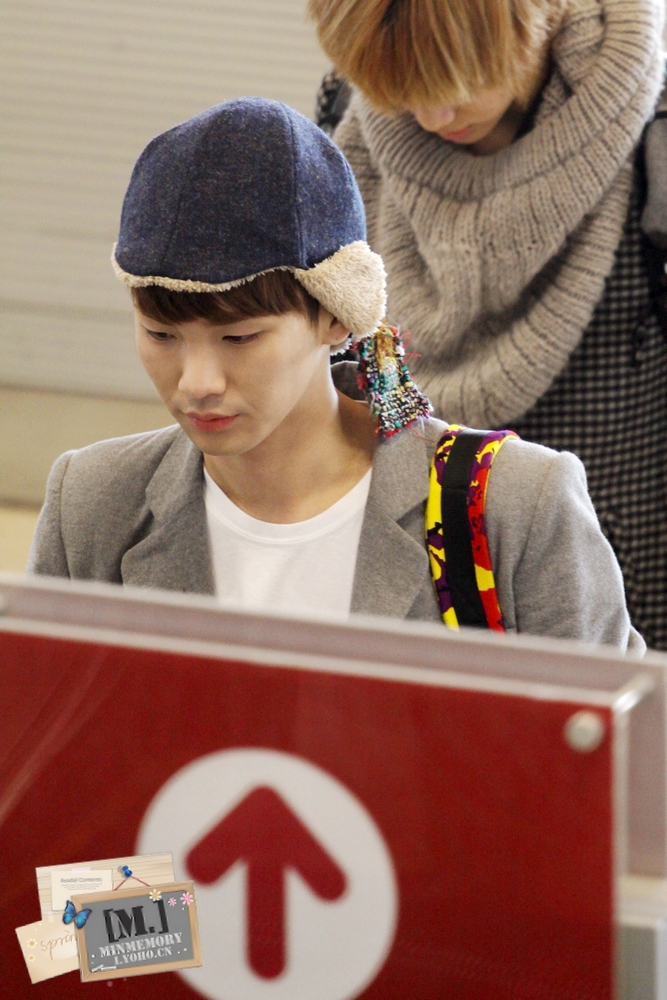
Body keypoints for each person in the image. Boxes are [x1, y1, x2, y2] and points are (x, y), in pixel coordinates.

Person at [28, 98, 643, 651]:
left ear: (338, 315)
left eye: (239, 338)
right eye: (161, 335)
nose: (197, 382)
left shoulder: (514, 505)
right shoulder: (93, 504)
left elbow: (618, 739)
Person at [308, 0, 667, 649]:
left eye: (455, 81)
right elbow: (350, 356)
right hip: (419, 553)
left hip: (624, 563)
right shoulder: (349, 117)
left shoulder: (654, 121)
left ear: (532, 19)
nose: (432, 117)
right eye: (403, 93)